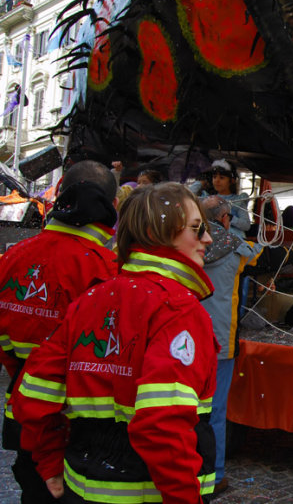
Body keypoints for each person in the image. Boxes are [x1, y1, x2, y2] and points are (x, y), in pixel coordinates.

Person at [13, 182, 218, 503]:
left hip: (81, 485)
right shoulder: (178, 309)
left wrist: (50, 461)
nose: (207, 238)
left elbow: (34, 390)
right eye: (197, 228)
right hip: (149, 491)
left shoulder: (91, 299)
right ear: (157, 232)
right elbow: (161, 421)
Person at [0, 160, 119, 503]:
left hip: (22, 408)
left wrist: (22, 374)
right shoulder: (104, 268)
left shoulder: (13, 256)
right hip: (75, 421)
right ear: (109, 206)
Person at [199, 196, 263, 496]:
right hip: (220, 339)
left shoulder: (187, 242)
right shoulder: (234, 247)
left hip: (185, 335)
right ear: (225, 218)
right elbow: (260, 257)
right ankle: (214, 476)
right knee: (215, 410)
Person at [209, 159, 251, 238]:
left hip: (235, 241)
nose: (217, 181)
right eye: (214, 177)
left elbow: (246, 225)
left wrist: (231, 218)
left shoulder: (238, 200)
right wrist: (199, 183)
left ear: (231, 181)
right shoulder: (209, 200)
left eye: (222, 178)